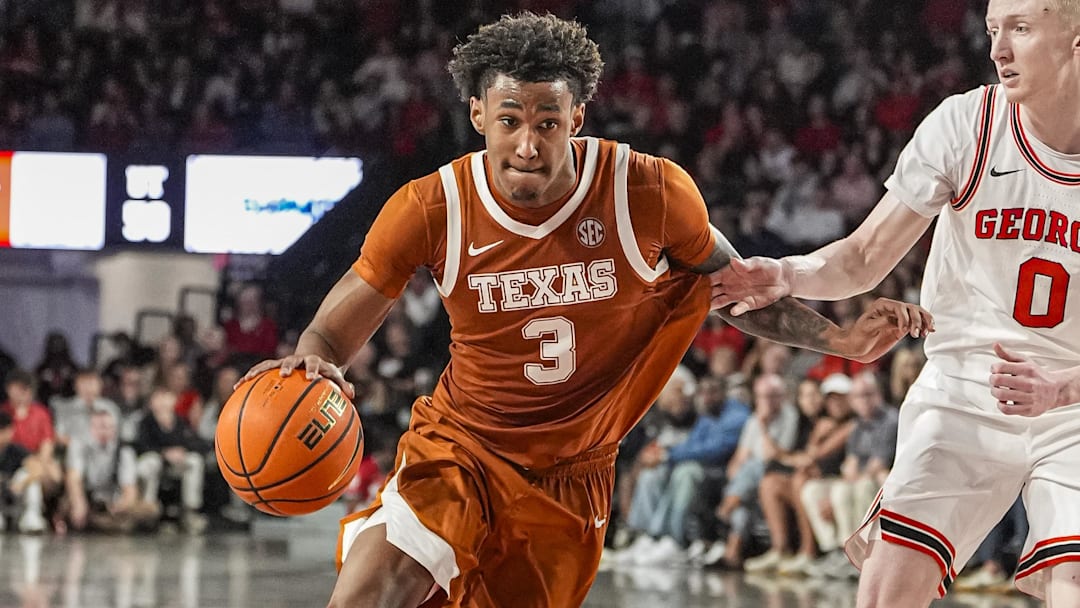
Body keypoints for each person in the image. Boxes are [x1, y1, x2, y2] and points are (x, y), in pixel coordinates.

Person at [239, 13, 930, 608]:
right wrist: (314, 361)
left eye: (547, 121)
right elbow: (333, 327)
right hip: (461, 447)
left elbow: (738, 292)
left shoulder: (649, 193)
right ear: (478, 114)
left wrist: (839, 336)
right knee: (368, 592)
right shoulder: (431, 207)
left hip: (573, 477)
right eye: (508, 121)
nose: (528, 143)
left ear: (577, 115)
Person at [711, 1, 1080, 604]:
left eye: (1020, 28)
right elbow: (863, 257)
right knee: (885, 591)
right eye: (992, 30)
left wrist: (1060, 390)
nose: (997, 50)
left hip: (1073, 403)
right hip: (964, 389)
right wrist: (784, 272)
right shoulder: (966, 125)